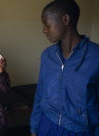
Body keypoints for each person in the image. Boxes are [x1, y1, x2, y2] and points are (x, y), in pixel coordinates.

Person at [30, 0, 99, 136]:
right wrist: (34, 127)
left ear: (65, 20)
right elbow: (40, 94)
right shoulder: (47, 56)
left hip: (80, 130)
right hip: (47, 124)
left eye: (47, 25)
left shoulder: (95, 56)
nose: (44, 30)